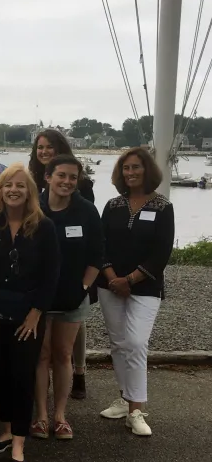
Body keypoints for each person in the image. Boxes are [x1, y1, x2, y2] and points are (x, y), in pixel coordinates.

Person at [0, 163, 60, 462]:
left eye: (20, 185)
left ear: (30, 191)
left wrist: (37, 313)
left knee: (22, 377)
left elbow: (51, 275)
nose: (14, 190)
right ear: (0, 189)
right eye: (8, 185)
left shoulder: (44, 226)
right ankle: (7, 429)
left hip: (28, 317)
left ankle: (20, 440)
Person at [97, 147, 174, 437]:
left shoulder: (163, 207)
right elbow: (100, 244)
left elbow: (161, 252)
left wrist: (130, 279)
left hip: (146, 287)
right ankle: (123, 397)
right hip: (109, 284)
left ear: (147, 171)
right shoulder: (113, 205)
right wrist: (112, 277)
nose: (131, 173)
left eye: (136, 168)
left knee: (137, 342)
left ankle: (136, 410)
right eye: (126, 168)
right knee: (118, 343)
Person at [31, 155, 103, 440]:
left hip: (72, 298)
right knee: (41, 355)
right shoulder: (32, 206)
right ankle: (40, 416)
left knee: (63, 355)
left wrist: (83, 288)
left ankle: (60, 416)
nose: (67, 182)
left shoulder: (86, 211)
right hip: (37, 298)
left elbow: (97, 255)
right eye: (61, 175)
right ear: (47, 177)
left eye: (73, 177)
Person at [28, 129, 95, 399]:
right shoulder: (32, 184)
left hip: (73, 276)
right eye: (40, 147)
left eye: (49, 147)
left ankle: (79, 372)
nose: (44, 152)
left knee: (71, 336)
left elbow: (91, 238)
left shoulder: (82, 188)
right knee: (42, 351)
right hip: (41, 281)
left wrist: (84, 284)